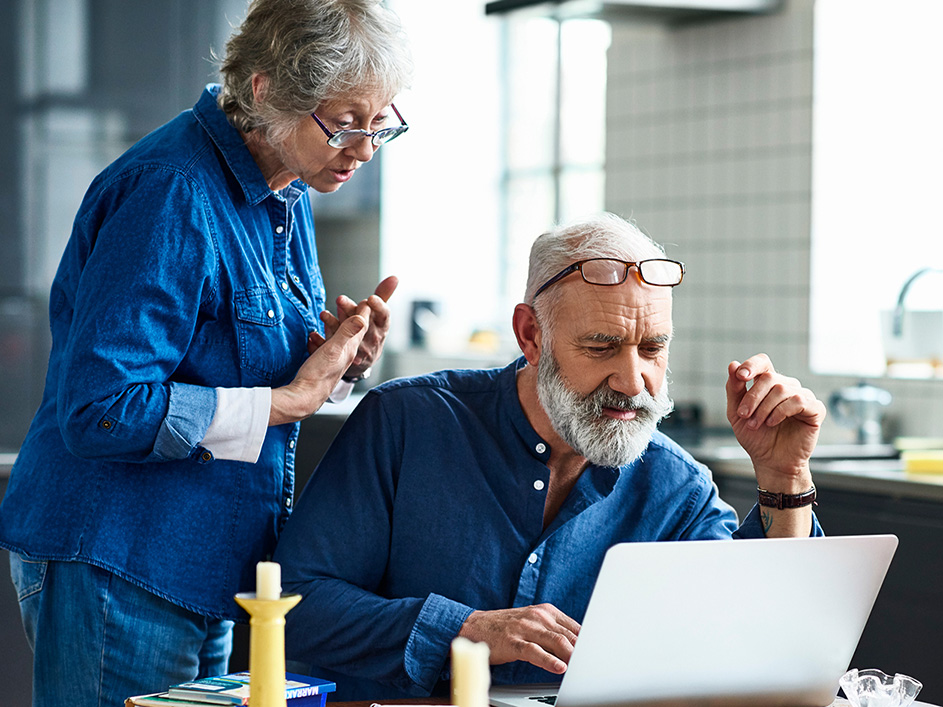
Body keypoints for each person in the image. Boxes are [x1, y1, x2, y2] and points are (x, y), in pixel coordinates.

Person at [0, 1, 412, 705]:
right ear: (264, 91)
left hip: (200, 561)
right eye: (345, 123)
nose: (364, 148)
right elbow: (101, 409)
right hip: (120, 559)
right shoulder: (172, 192)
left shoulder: (286, 189)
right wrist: (285, 402)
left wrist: (336, 360)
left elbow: (231, 364)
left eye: (382, 124)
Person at [273, 212, 827, 701]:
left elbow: (752, 639)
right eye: (601, 347)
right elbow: (290, 608)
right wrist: (465, 631)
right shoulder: (406, 423)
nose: (632, 381)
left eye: (653, 348)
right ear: (530, 334)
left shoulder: (676, 487)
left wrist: (785, 477)